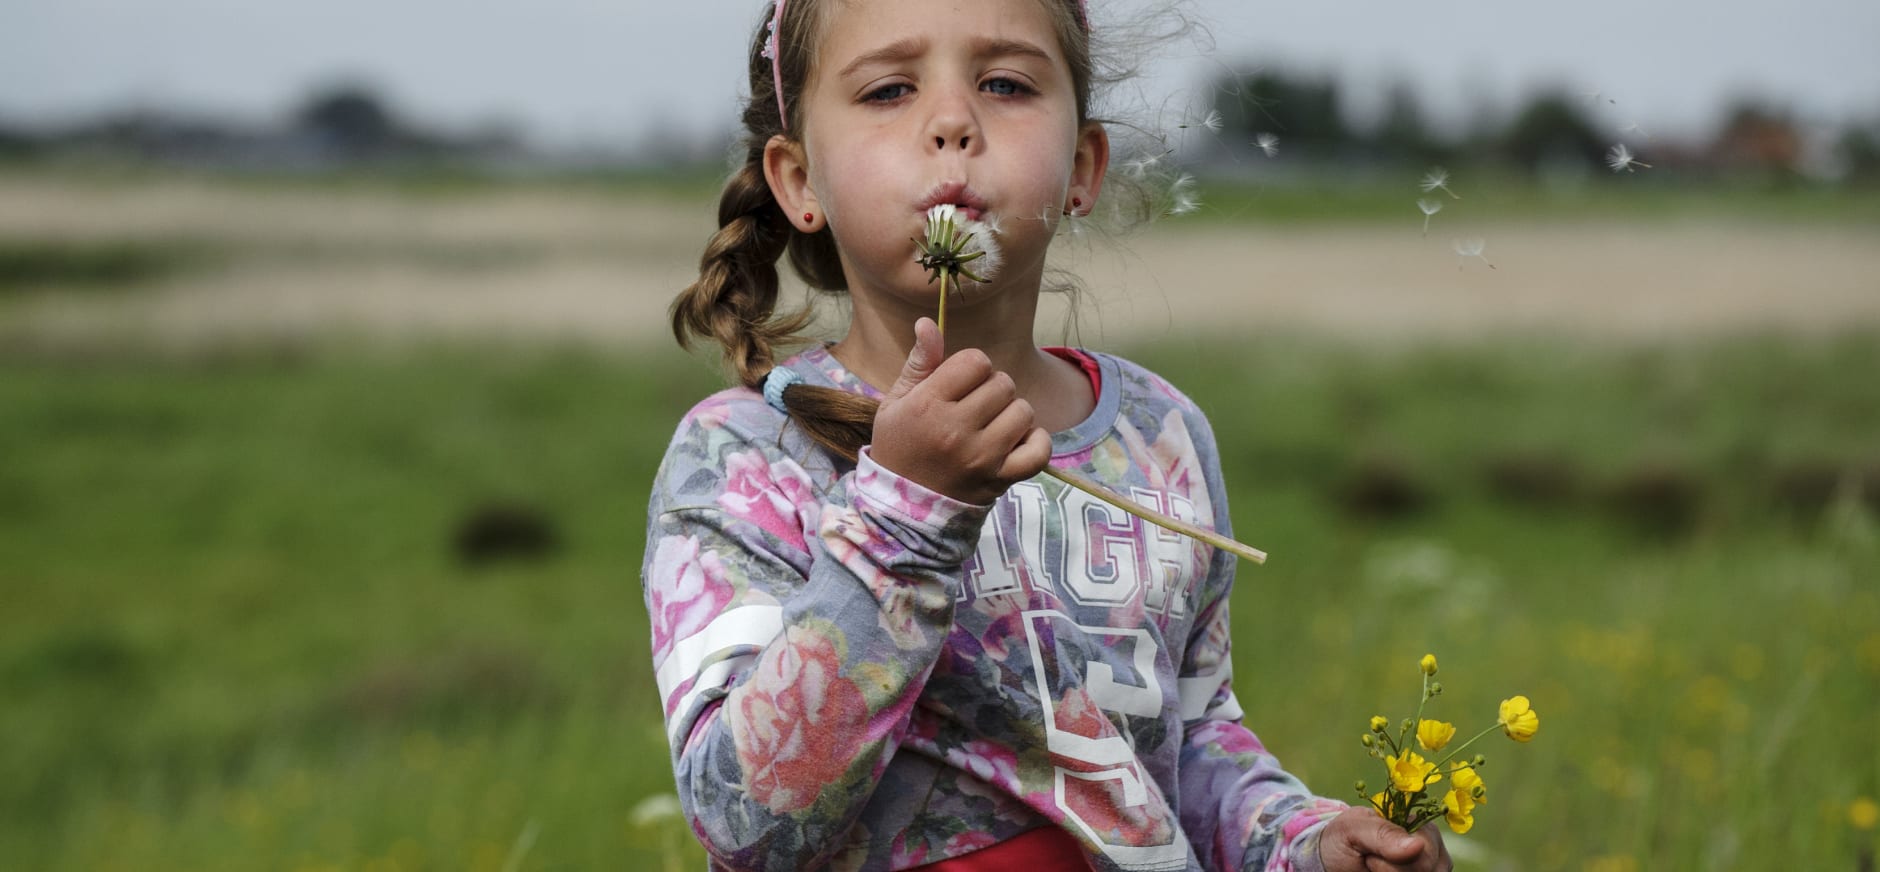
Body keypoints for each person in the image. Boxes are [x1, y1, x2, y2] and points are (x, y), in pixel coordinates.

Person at [641, 1, 1452, 869]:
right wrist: (903, 513)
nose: (953, 122)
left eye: (1005, 84)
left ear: (1081, 165)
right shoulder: (746, 456)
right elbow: (742, 820)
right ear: (799, 182)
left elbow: (1185, 754)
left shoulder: (1159, 435)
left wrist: (1302, 844)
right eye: (887, 90)